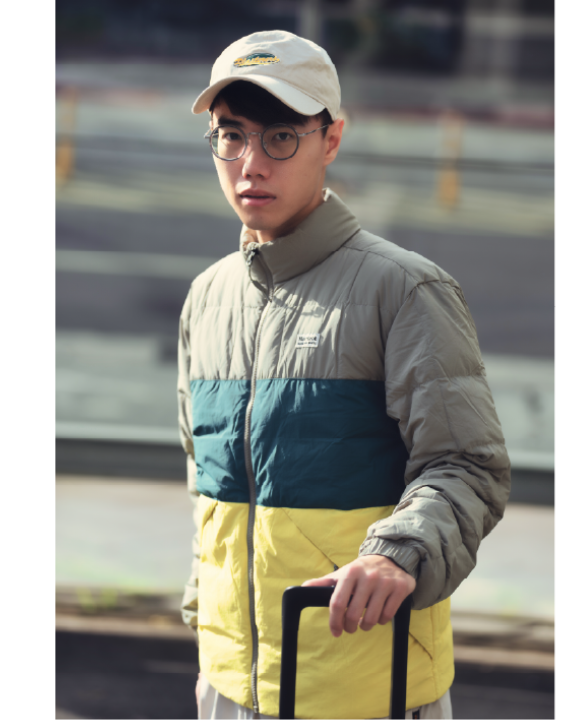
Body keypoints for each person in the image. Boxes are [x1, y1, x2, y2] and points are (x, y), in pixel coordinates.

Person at [177, 30, 510, 720]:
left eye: (280, 138)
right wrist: (207, 639)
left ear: (331, 140)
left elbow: (467, 465)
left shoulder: (405, 289)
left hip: (367, 687)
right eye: (231, 136)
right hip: (230, 687)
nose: (250, 164)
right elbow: (208, 493)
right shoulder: (208, 298)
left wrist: (398, 554)